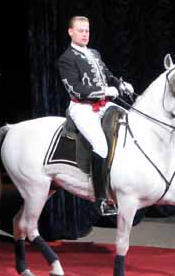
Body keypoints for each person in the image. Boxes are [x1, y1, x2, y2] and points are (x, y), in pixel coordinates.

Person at [57, 16, 134, 215]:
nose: (85, 34)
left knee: (130, 122)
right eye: (81, 30)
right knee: (100, 144)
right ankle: (101, 199)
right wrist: (106, 92)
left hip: (102, 105)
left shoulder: (94, 53)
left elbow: (107, 75)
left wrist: (120, 84)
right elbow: (76, 90)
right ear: (70, 32)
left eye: (87, 30)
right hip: (82, 108)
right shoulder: (66, 59)